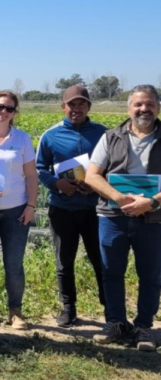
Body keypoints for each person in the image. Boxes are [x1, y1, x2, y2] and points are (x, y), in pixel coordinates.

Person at [85, 84, 161, 352]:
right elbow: (92, 175)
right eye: (139, 104)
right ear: (128, 108)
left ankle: (144, 327)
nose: (144, 109)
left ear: (158, 107)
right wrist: (118, 198)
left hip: (153, 218)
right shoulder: (111, 137)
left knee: (150, 274)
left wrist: (151, 201)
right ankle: (115, 323)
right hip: (112, 217)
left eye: (150, 104)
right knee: (111, 272)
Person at [36, 85, 107, 327]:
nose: (76, 109)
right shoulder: (51, 135)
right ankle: (69, 308)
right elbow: (40, 169)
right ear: (63, 107)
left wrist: (97, 185)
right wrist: (58, 184)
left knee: (102, 260)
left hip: (96, 209)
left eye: (82, 104)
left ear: (89, 106)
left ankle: (110, 309)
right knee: (64, 261)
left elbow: (113, 168)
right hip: (62, 208)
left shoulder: (104, 134)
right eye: (72, 104)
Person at [0, 91, 38, 330]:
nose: (4, 112)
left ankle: (16, 311)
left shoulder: (22, 139)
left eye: (9, 109)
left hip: (16, 209)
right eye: (0, 107)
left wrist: (31, 206)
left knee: (14, 262)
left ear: (14, 113)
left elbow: (31, 176)